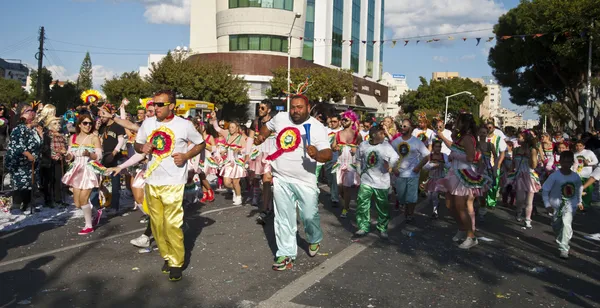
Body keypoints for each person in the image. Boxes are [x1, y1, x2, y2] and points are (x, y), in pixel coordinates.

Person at [253, 94, 332, 271]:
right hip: (281, 177)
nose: (295, 111)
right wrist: (261, 137)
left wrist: (317, 155)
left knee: (309, 215)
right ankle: (286, 254)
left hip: (305, 180)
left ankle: (314, 238)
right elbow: (267, 127)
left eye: (299, 107)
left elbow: (328, 154)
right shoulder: (281, 118)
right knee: (283, 218)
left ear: (308, 107)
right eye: (293, 107)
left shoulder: (317, 127)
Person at [135, 90, 205, 281]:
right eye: (154, 104)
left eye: (159, 105)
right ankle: (167, 256)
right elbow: (137, 143)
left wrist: (186, 156)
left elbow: (200, 143)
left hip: (174, 181)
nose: (155, 108)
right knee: (157, 225)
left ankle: (176, 262)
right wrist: (142, 147)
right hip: (152, 180)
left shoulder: (184, 125)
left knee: (172, 223)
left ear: (171, 106)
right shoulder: (148, 123)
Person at [437, 113, 488, 249]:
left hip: (462, 174)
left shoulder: (467, 138)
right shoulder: (461, 137)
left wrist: (455, 156)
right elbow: (453, 146)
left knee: (460, 206)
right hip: (454, 173)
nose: (455, 124)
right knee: (449, 205)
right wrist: (444, 137)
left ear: (463, 123)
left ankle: (471, 236)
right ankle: (461, 228)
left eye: (458, 121)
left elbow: (471, 157)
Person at [353, 125, 399, 238]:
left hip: (382, 182)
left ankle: (382, 227)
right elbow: (358, 159)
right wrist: (359, 171)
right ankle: (363, 227)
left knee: (382, 206)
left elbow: (395, 157)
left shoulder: (386, 146)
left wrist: (390, 165)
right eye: (381, 133)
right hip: (366, 180)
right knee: (362, 203)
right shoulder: (363, 145)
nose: (384, 135)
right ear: (374, 135)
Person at [62, 114, 103, 234]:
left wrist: (89, 154)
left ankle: (88, 226)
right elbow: (70, 156)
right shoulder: (73, 138)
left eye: (90, 123)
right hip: (76, 170)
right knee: (78, 203)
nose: (88, 126)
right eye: (85, 123)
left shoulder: (94, 138)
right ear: (79, 124)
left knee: (84, 199)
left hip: (89, 169)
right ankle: (96, 213)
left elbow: (99, 157)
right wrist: (66, 155)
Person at [542, 151, 583, 259]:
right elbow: (545, 190)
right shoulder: (554, 176)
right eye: (564, 162)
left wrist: (579, 201)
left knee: (566, 225)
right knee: (557, 226)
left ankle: (564, 248)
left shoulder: (575, 177)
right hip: (556, 206)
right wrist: (547, 205)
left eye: (569, 162)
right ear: (560, 162)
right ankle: (561, 240)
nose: (566, 164)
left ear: (572, 163)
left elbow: (579, 188)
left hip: (570, 205)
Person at [5, 103, 43, 214]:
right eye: (28, 111)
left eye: (33, 111)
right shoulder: (19, 128)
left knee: (30, 183)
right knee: (20, 184)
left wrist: (40, 135)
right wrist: (28, 154)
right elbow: (18, 145)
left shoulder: (34, 129)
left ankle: (28, 204)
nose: (32, 113)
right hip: (20, 162)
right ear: (21, 114)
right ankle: (17, 205)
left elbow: (38, 145)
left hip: (31, 163)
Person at [391, 119, 430, 222]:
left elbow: (427, 156)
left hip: (413, 173)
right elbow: (389, 155)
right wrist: (394, 168)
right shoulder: (396, 142)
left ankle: (410, 214)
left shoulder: (416, 142)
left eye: (405, 126)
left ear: (410, 128)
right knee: (401, 195)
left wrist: (418, 167)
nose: (402, 128)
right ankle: (405, 209)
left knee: (411, 196)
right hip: (400, 173)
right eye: (401, 126)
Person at [92, 104, 126, 215]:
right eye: (100, 116)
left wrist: (114, 152)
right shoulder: (102, 127)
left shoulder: (117, 125)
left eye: (103, 115)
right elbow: (96, 139)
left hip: (114, 155)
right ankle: (98, 204)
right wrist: (96, 129)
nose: (101, 118)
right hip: (103, 155)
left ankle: (115, 206)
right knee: (98, 180)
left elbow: (121, 140)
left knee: (115, 183)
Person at [247, 101, 276, 223]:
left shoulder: (274, 122)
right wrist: (247, 156)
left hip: (272, 154)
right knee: (263, 183)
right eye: (259, 107)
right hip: (259, 154)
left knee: (266, 180)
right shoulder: (255, 123)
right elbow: (250, 139)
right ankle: (267, 206)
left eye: (263, 108)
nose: (260, 109)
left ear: (269, 110)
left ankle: (265, 210)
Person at [210, 112, 247, 205]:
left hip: (237, 161)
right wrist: (214, 118)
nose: (230, 129)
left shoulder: (241, 138)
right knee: (226, 183)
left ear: (237, 128)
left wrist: (239, 150)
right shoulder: (227, 134)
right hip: (228, 161)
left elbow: (246, 149)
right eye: (230, 127)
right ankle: (236, 190)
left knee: (235, 181)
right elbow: (217, 128)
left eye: (233, 127)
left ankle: (238, 197)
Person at [332, 110, 362, 218]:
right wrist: (335, 147)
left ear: (352, 121)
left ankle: (345, 208)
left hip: (351, 164)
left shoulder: (357, 135)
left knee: (346, 188)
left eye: (346, 119)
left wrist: (356, 148)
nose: (343, 121)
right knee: (340, 188)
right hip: (340, 163)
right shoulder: (338, 134)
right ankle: (347, 203)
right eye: (343, 119)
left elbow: (363, 148)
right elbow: (333, 146)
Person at [509, 130, 541, 229]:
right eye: (518, 137)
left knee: (529, 200)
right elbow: (513, 163)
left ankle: (528, 220)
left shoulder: (532, 150)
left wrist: (531, 155)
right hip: (519, 176)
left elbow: (534, 165)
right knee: (520, 199)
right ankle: (518, 212)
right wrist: (510, 172)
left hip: (530, 175)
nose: (518, 139)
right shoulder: (516, 150)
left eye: (521, 137)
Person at [40, 116, 68, 208]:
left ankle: (58, 199)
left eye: (59, 123)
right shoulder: (47, 135)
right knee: (50, 180)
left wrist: (64, 150)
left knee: (58, 179)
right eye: (55, 124)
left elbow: (65, 146)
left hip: (60, 160)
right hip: (50, 160)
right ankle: (49, 200)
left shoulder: (61, 135)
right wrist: (57, 151)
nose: (58, 125)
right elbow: (46, 148)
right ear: (49, 125)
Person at [418, 140, 449, 219]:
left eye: (439, 147)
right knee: (429, 196)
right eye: (436, 146)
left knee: (435, 195)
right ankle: (435, 205)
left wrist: (444, 164)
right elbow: (424, 167)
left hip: (440, 178)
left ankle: (435, 211)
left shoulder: (444, 155)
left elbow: (449, 166)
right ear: (433, 147)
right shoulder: (430, 156)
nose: (438, 148)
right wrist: (433, 166)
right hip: (431, 178)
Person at [481, 120, 507, 215]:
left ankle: (491, 202)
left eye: (490, 127)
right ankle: (482, 202)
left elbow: (502, 153)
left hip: (493, 164)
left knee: (493, 184)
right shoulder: (481, 139)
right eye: (486, 127)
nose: (488, 129)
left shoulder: (498, 139)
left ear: (494, 128)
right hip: (482, 166)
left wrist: (498, 164)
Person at [573, 139, 598, 210]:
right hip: (578, 175)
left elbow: (596, 161)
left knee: (588, 190)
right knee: (579, 189)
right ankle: (581, 205)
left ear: (584, 146)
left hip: (588, 175)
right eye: (577, 146)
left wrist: (588, 163)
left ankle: (586, 204)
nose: (578, 147)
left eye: (580, 146)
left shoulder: (589, 152)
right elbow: (574, 164)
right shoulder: (575, 154)